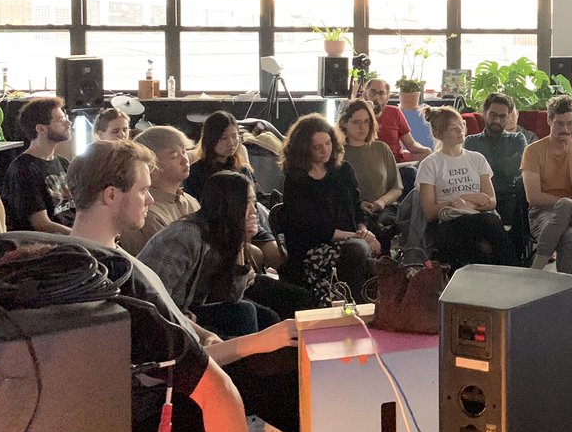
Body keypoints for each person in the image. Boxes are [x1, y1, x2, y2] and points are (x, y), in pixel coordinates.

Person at [64, 139, 289, 432]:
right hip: (140, 408)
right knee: (278, 374)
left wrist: (204, 334)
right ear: (112, 195)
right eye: (143, 190)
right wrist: (256, 343)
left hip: (114, 405)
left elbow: (172, 333)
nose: (149, 200)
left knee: (268, 349)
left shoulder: (78, 260)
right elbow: (187, 370)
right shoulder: (116, 276)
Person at [140, 171, 278, 338]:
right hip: (162, 319)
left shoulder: (224, 234)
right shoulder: (184, 236)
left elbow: (231, 296)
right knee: (245, 314)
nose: (253, 211)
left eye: (254, 202)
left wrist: (240, 241)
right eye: (246, 202)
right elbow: (152, 298)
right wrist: (196, 328)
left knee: (264, 316)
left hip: (191, 309)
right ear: (226, 204)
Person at [280, 113, 380, 303]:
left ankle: (362, 303)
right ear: (303, 149)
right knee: (358, 251)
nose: (325, 150)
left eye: (328, 143)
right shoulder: (296, 180)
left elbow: (357, 209)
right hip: (313, 248)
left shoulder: (343, 170)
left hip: (350, 239)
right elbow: (312, 228)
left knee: (361, 249)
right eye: (317, 147)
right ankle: (361, 303)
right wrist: (358, 237)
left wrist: (364, 230)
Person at [416, 105, 515, 267]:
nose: (460, 130)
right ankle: (512, 273)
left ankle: (509, 273)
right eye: (452, 128)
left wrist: (468, 200)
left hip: (478, 216)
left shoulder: (477, 159)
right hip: (450, 221)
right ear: (438, 134)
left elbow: (491, 201)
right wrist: (459, 200)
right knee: (485, 231)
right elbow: (429, 212)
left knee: (488, 226)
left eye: (461, 124)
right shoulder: (431, 164)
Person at [521, 95, 572, 276]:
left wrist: (571, 155)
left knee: (566, 206)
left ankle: (536, 270)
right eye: (560, 124)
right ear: (549, 120)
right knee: (568, 236)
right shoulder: (533, 151)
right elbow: (533, 197)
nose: (566, 129)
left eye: (570, 124)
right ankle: (571, 297)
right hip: (542, 213)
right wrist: (569, 201)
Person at [465, 92, 528, 261]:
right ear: (484, 113)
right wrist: (506, 164)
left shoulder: (517, 139)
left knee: (523, 193)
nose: (497, 121)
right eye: (493, 115)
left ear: (508, 118)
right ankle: (510, 262)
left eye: (502, 116)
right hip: (480, 198)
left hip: (510, 197)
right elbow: (469, 174)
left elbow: (519, 168)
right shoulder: (470, 142)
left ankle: (509, 259)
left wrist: (486, 168)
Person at [1, 95, 75, 234]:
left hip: (74, 236)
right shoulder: (24, 169)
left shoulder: (63, 163)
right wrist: (82, 236)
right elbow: (41, 224)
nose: (68, 123)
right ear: (41, 128)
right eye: (61, 119)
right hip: (53, 245)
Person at [124, 125, 200, 254]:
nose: (184, 160)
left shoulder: (189, 200)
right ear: (153, 165)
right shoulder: (148, 213)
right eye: (174, 156)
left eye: (184, 151)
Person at [337, 99, 403, 247]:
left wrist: (381, 202)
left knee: (390, 224)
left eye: (366, 122)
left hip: (383, 208)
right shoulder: (338, 153)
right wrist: (359, 205)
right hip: (353, 212)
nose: (362, 127)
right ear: (344, 124)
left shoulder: (381, 148)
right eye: (356, 122)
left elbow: (396, 187)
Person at [185, 110, 254, 201]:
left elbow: (256, 199)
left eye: (234, 136)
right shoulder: (196, 172)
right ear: (211, 139)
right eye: (224, 138)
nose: (231, 143)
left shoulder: (242, 169)